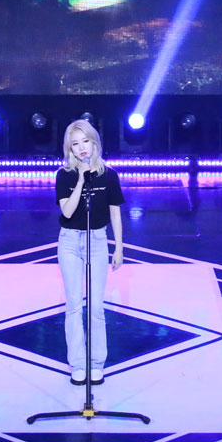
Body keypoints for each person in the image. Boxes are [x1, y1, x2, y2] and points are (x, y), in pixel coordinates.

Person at [55, 119, 124, 385]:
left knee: (95, 306)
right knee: (74, 305)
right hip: (70, 242)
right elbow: (67, 211)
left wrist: (119, 247)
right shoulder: (64, 175)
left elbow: (115, 213)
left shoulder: (109, 175)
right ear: (70, 149)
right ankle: (77, 364)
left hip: (97, 240)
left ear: (94, 142)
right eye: (75, 144)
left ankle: (96, 363)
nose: (82, 147)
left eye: (85, 141)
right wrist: (81, 179)